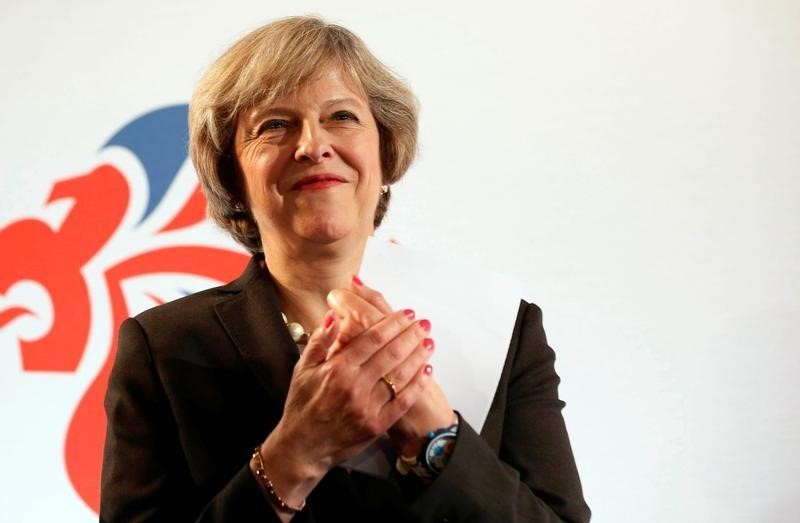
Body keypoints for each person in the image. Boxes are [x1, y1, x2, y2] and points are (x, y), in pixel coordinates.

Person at [100, 15, 590, 523]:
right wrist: (293, 457)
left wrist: (437, 440)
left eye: (341, 116)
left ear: (384, 151)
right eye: (274, 125)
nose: (312, 145)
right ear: (233, 179)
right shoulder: (165, 347)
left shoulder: (500, 327)